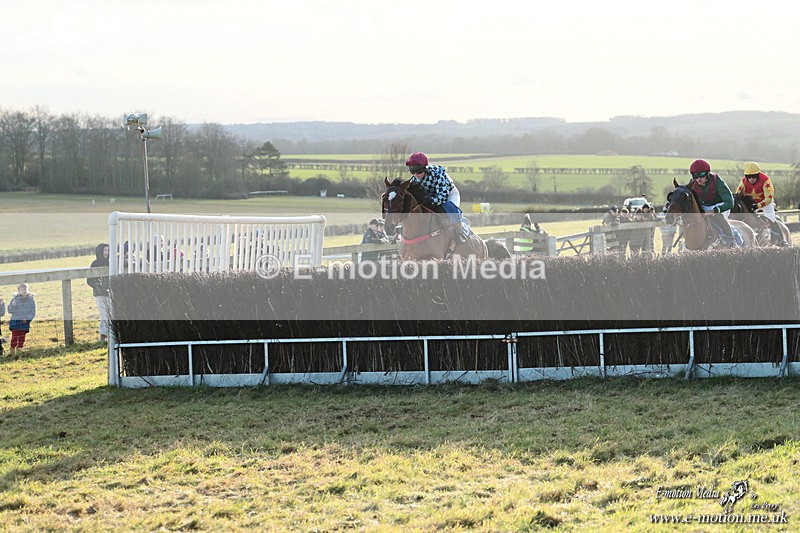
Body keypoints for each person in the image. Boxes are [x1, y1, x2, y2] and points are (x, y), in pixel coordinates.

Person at [405, 151, 470, 243]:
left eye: (419, 171)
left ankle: (460, 230)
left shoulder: (437, 172)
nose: (416, 175)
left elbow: (442, 197)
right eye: (413, 171)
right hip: (432, 197)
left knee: (449, 210)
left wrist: (430, 201)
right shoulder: (414, 180)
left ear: (425, 168)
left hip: (449, 194)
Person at [734, 161, 789, 247]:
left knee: (771, 217)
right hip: (752, 201)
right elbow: (737, 194)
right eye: (749, 176)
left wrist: (757, 206)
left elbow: (768, 199)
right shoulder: (744, 181)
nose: (751, 179)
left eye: (754, 176)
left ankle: (781, 240)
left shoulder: (766, 181)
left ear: (758, 175)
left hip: (766, 202)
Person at [686, 159, 736, 247]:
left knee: (718, 216)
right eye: (695, 176)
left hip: (720, 205)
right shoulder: (692, 183)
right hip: (704, 206)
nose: (699, 179)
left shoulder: (717, 181)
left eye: (702, 175)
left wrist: (714, 211)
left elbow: (730, 202)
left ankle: (731, 240)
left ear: (708, 173)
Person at [87, 242, 111, 342]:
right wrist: (99, 287)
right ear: (100, 251)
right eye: (105, 250)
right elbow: (89, 280)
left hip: (110, 292)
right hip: (99, 293)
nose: (106, 252)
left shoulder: (110, 263)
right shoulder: (95, 264)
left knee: (109, 314)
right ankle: (104, 335)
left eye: (108, 250)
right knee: (105, 314)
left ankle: (105, 334)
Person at [7, 283, 36, 356]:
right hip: (15, 322)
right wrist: (13, 305)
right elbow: (10, 310)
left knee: (22, 337)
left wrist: (27, 319)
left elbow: (32, 312)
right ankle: (12, 351)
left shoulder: (31, 300)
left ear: (28, 290)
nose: (24, 291)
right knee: (14, 337)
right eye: (22, 289)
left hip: (24, 323)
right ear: (19, 291)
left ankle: (19, 350)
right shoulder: (15, 299)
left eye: (25, 289)